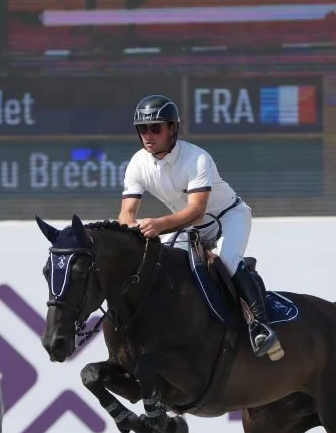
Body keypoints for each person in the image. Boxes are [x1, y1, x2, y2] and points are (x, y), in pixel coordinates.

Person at [117, 94, 282, 360]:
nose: (148, 135)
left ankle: (260, 326)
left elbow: (196, 211)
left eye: (156, 128)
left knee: (227, 259)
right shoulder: (138, 162)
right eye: (143, 129)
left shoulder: (197, 158)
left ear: (172, 129)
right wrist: (131, 229)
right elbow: (126, 212)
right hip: (191, 228)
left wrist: (158, 225)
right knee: (166, 264)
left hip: (229, 217)